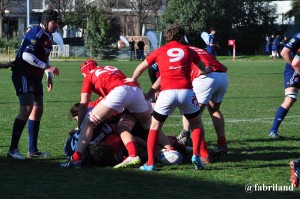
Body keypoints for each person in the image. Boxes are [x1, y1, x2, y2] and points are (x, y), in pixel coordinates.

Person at [127, 24, 209, 171]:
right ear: (182, 36)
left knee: (154, 128)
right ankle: (196, 156)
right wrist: (204, 71)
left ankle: (150, 163)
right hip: (186, 92)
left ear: (167, 36)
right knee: (196, 125)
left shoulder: (159, 51)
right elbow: (203, 68)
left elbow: (141, 67)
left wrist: (133, 79)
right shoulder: (188, 50)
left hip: (166, 93)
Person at [60, 63, 152, 168]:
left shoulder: (90, 77)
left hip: (121, 94)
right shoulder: (109, 70)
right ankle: (166, 148)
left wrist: (80, 127)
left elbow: (83, 104)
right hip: (136, 90)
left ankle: (76, 158)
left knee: (89, 122)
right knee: (150, 128)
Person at [7, 9, 60, 160]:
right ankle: (12, 149)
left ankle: (32, 150)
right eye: (54, 22)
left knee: (38, 110)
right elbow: (26, 55)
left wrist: (48, 75)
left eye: (57, 22)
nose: (57, 25)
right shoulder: (35, 33)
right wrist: (46, 67)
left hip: (36, 76)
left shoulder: (49, 35)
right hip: (23, 73)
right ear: (46, 21)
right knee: (26, 109)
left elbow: (45, 57)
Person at [181, 46, 228, 161]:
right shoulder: (199, 49)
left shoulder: (179, 50)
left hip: (206, 76)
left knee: (194, 116)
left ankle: (203, 152)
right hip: (222, 76)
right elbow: (223, 66)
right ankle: (222, 145)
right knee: (214, 110)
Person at [268, 32, 300, 139]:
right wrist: (294, 68)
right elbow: (284, 52)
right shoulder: (299, 36)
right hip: (294, 70)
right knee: (290, 98)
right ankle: (273, 130)